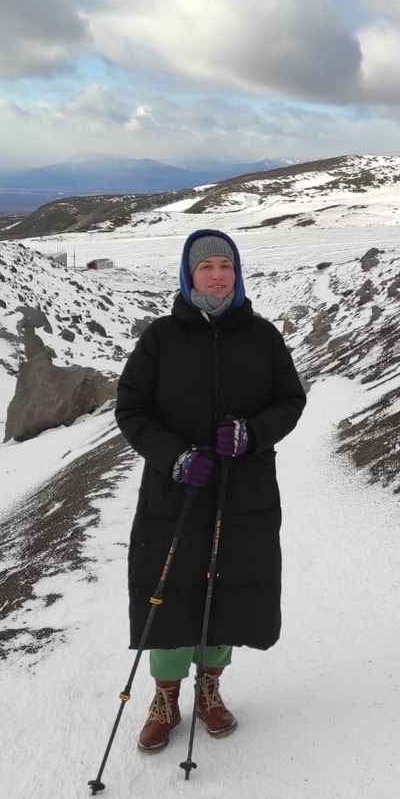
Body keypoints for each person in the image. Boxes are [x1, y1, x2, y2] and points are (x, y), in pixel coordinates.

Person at [115, 229, 306, 752]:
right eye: (206, 267)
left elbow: (290, 401)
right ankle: (165, 697)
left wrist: (251, 434)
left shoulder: (262, 337)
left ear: (237, 273)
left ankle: (210, 688)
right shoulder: (160, 338)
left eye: (226, 265)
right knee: (170, 592)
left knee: (229, 591)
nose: (218, 275)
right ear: (189, 275)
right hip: (175, 493)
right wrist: (174, 457)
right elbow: (131, 408)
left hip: (243, 492)